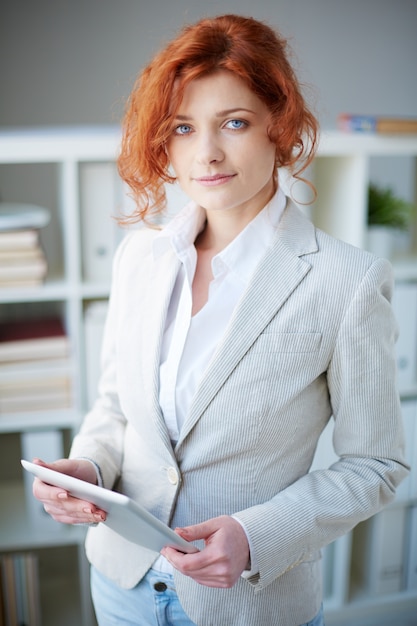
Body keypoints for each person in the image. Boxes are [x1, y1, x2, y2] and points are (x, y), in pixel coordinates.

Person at [32, 13, 409, 626]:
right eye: (183, 128)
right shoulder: (141, 258)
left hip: (249, 604)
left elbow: (376, 465)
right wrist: (89, 468)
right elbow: (116, 407)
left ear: (278, 130)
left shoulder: (347, 280)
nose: (205, 152)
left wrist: (255, 535)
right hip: (122, 584)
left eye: (234, 123)